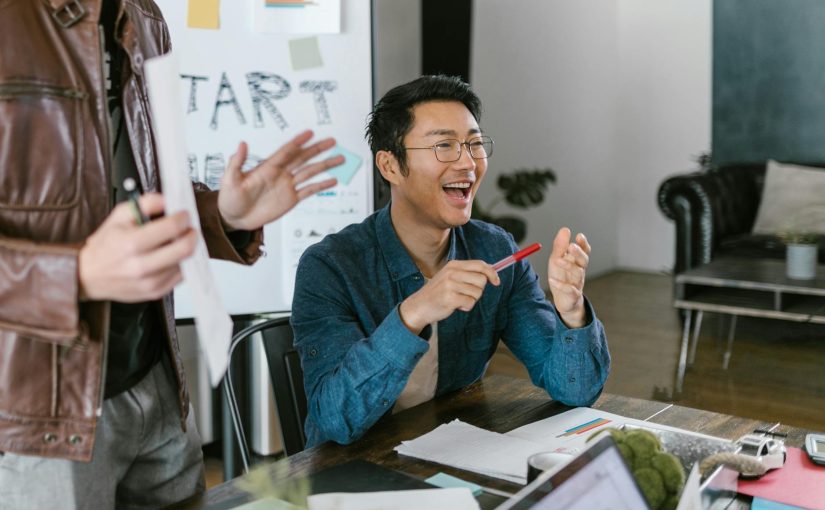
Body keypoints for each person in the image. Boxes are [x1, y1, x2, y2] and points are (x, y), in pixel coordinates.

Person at [0, 1, 341, 508]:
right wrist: (78, 275)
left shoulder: (143, 15)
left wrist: (222, 213)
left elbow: (144, 193)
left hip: (156, 379)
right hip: (39, 413)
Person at [291, 75, 611, 448]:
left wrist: (572, 312)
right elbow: (334, 420)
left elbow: (575, 391)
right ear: (390, 166)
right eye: (444, 145)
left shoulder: (494, 250)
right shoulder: (330, 267)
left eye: (474, 144)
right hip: (348, 473)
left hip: (450, 449)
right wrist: (415, 313)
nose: (468, 163)